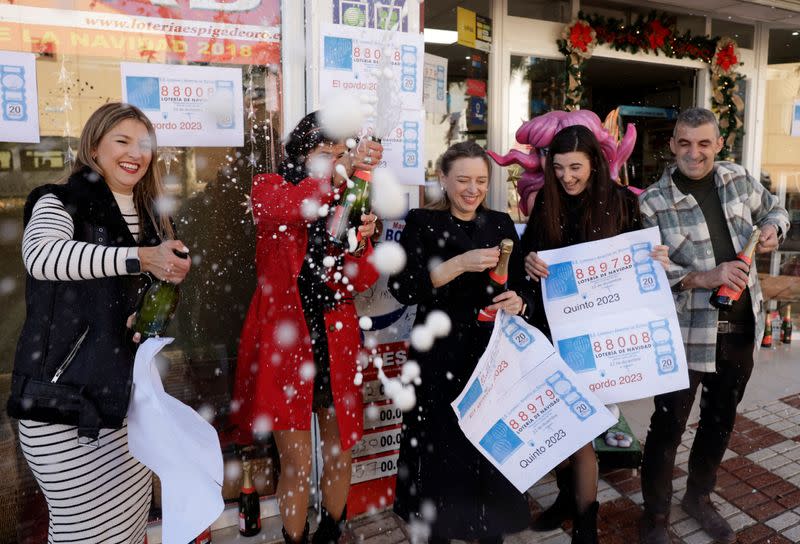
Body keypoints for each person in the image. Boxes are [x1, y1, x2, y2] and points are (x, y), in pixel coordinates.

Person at [6, 102, 191, 542]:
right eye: (122, 141)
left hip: (123, 401)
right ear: (93, 146)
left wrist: (152, 308)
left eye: (144, 144)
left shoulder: (151, 216)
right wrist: (139, 258)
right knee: (85, 534)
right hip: (61, 405)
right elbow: (43, 257)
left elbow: (134, 301)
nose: (135, 154)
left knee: (127, 529)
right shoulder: (61, 199)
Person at [637, 108, 790, 544]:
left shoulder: (738, 178)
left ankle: (698, 498)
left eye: (704, 143)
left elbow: (775, 211)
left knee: (719, 421)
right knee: (667, 429)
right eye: (684, 143)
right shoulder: (652, 202)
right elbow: (650, 276)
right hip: (685, 336)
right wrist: (707, 277)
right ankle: (656, 517)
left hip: (741, 328)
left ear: (718, 144)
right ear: (672, 145)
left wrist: (774, 231)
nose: (694, 152)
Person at [231, 112, 382, 544]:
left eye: (342, 153)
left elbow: (359, 280)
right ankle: (294, 540)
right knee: (295, 462)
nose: (336, 162)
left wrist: (363, 243)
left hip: (335, 338)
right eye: (324, 153)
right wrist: (342, 176)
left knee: (339, 448)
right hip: (287, 342)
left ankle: (331, 532)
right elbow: (289, 208)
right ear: (299, 153)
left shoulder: (350, 200)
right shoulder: (270, 187)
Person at [519, 124, 669, 544]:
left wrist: (655, 257)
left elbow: (641, 264)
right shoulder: (545, 202)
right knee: (561, 426)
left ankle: (585, 522)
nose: (567, 177)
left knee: (581, 429)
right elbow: (524, 269)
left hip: (600, 339)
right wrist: (530, 266)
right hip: (553, 333)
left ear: (595, 165)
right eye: (560, 168)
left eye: (576, 168)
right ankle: (569, 501)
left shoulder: (620, 202)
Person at [389, 141, 535, 544]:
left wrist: (519, 301)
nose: (473, 190)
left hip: (491, 358)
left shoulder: (501, 223)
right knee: (441, 452)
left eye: (481, 181)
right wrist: (457, 265)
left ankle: (489, 531)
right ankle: (438, 530)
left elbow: (523, 286)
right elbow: (402, 287)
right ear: (443, 180)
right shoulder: (422, 222)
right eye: (463, 180)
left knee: (488, 449)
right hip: (439, 357)